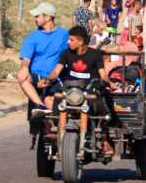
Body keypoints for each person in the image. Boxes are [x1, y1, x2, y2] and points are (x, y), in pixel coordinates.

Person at [45, 26, 115, 156]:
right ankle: (56, 129)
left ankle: (105, 141)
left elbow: (102, 74)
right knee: (57, 97)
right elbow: (56, 71)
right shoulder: (66, 54)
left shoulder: (95, 55)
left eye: (71, 40)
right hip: (71, 91)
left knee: (103, 109)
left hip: (89, 91)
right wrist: (48, 78)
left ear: (81, 42)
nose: (68, 42)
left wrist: (108, 82)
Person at [17, 2, 69, 115]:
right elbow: (26, 58)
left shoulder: (64, 35)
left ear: (48, 17)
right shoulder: (33, 36)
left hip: (56, 77)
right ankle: (39, 105)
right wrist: (25, 68)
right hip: (36, 76)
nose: (34, 19)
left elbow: (75, 49)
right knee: (21, 75)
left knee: (54, 108)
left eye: (37, 16)